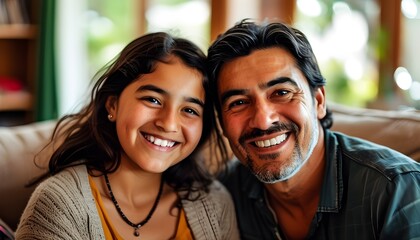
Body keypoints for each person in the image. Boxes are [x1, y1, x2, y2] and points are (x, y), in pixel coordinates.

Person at [207, 19, 420, 240]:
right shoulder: (223, 195)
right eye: (238, 103)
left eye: (281, 92)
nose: (263, 121)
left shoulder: (396, 189)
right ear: (221, 123)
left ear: (318, 101)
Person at [15, 32, 239, 240]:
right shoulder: (58, 205)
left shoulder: (215, 202)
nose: (168, 123)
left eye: (189, 110)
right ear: (113, 105)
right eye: (152, 99)